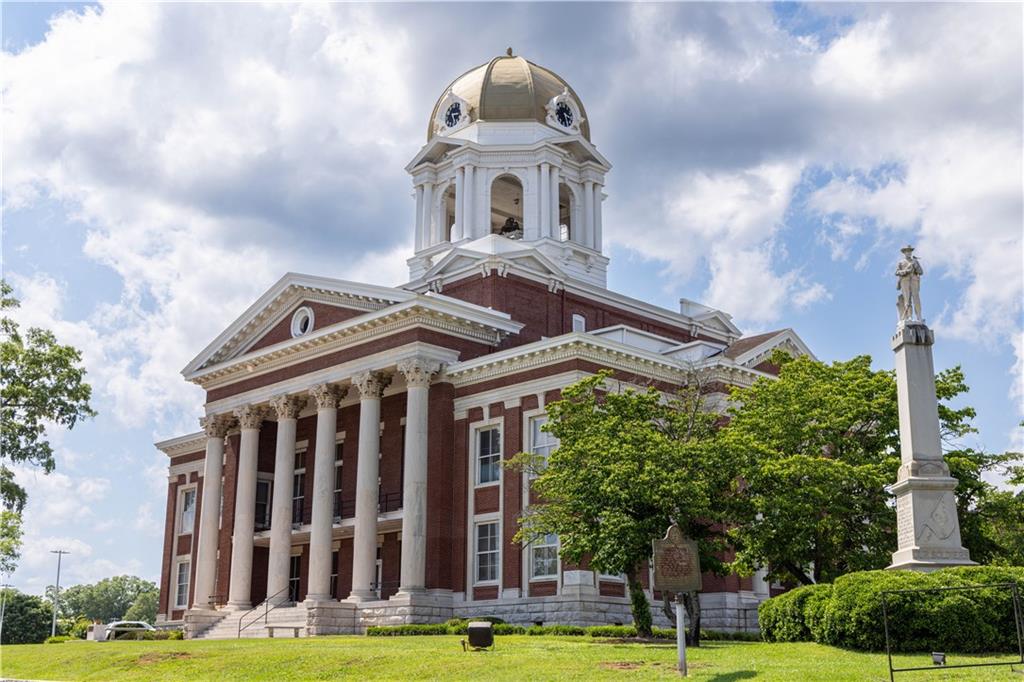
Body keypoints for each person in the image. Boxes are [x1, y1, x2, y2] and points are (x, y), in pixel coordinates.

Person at [895, 245, 924, 322]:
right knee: (907, 299)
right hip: (904, 280)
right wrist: (904, 271)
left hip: (914, 280)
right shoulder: (901, 262)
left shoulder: (915, 261)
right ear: (904, 252)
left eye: (910, 251)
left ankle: (919, 316)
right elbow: (897, 272)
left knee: (916, 298)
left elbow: (921, 272)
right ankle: (909, 316)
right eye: (907, 251)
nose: (909, 252)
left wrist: (916, 266)